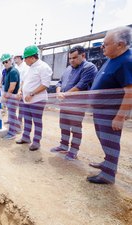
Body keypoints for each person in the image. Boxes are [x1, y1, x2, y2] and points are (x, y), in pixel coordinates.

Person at [87, 26, 132, 184]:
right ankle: (108, 162)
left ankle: (108, 175)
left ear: (120, 44)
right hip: (101, 110)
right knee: (104, 139)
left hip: (111, 112)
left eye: (105, 44)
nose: (102, 47)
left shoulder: (126, 61)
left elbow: (130, 92)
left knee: (111, 141)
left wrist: (120, 116)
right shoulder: (113, 58)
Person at [50, 46, 97, 160]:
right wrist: (58, 92)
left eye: (75, 58)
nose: (72, 60)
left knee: (75, 128)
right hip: (65, 103)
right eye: (70, 58)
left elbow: (81, 85)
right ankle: (63, 145)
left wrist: (64, 94)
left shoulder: (89, 67)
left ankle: (74, 150)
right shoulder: (68, 69)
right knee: (64, 125)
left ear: (83, 55)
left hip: (78, 104)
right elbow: (59, 83)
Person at [16, 45, 52, 150]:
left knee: (37, 121)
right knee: (27, 119)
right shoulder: (29, 68)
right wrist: (20, 91)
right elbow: (24, 82)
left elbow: (45, 84)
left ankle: (36, 141)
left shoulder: (44, 67)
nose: (24, 61)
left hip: (37, 100)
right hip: (26, 100)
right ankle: (26, 137)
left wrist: (32, 94)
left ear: (32, 57)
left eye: (25, 58)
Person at [1, 53, 21, 139]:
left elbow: (12, 87)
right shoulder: (8, 71)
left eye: (6, 61)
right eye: (3, 62)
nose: (5, 64)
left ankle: (12, 133)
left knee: (12, 115)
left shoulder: (13, 71)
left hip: (12, 96)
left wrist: (6, 96)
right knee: (12, 114)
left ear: (10, 61)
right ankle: (18, 128)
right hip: (10, 96)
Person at [14, 53, 29, 125]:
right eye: (14, 58)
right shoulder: (15, 67)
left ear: (20, 58)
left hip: (22, 89)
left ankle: (19, 121)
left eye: (16, 57)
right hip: (15, 88)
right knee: (13, 105)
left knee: (21, 106)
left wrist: (21, 90)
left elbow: (24, 79)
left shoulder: (25, 66)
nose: (15, 59)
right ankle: (12, 119)